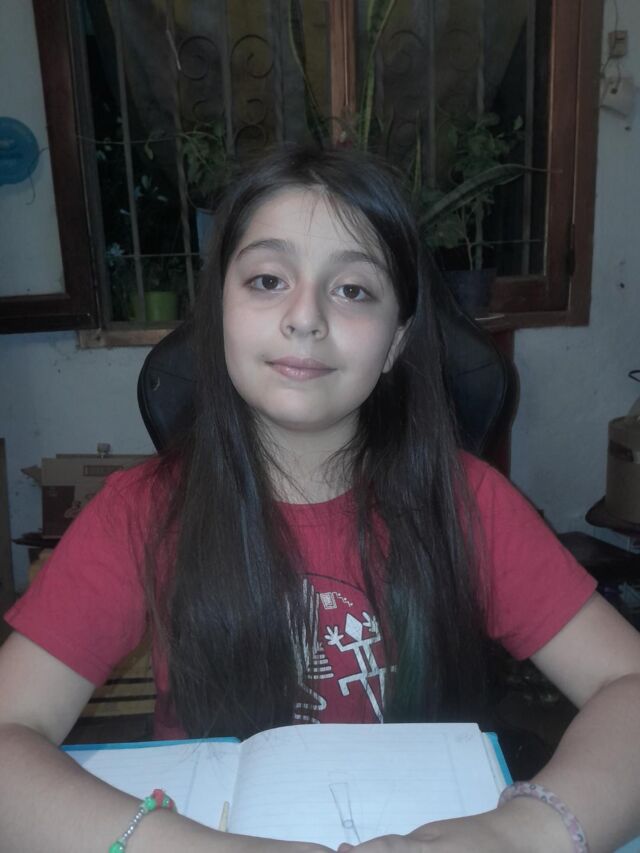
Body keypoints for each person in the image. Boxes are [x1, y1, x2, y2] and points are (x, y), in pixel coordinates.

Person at [1, 146, 640, 853]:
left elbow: (629, 682)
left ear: (396, 342)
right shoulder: (139, 513)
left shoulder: (470, 503)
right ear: (218, 312)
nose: (304, 317)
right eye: (267, 280)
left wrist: (522, 833)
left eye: (354, 290)